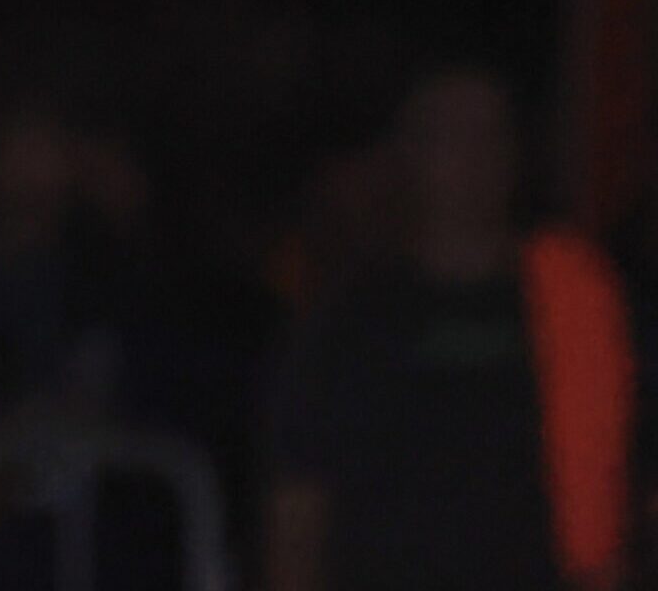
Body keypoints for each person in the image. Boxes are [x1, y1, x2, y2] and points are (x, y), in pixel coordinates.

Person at [266, 65, 636, 591]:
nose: (474, 155)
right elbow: (297, 509)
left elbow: (620, 483)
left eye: (489, 132)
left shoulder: (574, 303)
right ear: (409, 154)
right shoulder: (352, 318)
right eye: (450, 133)